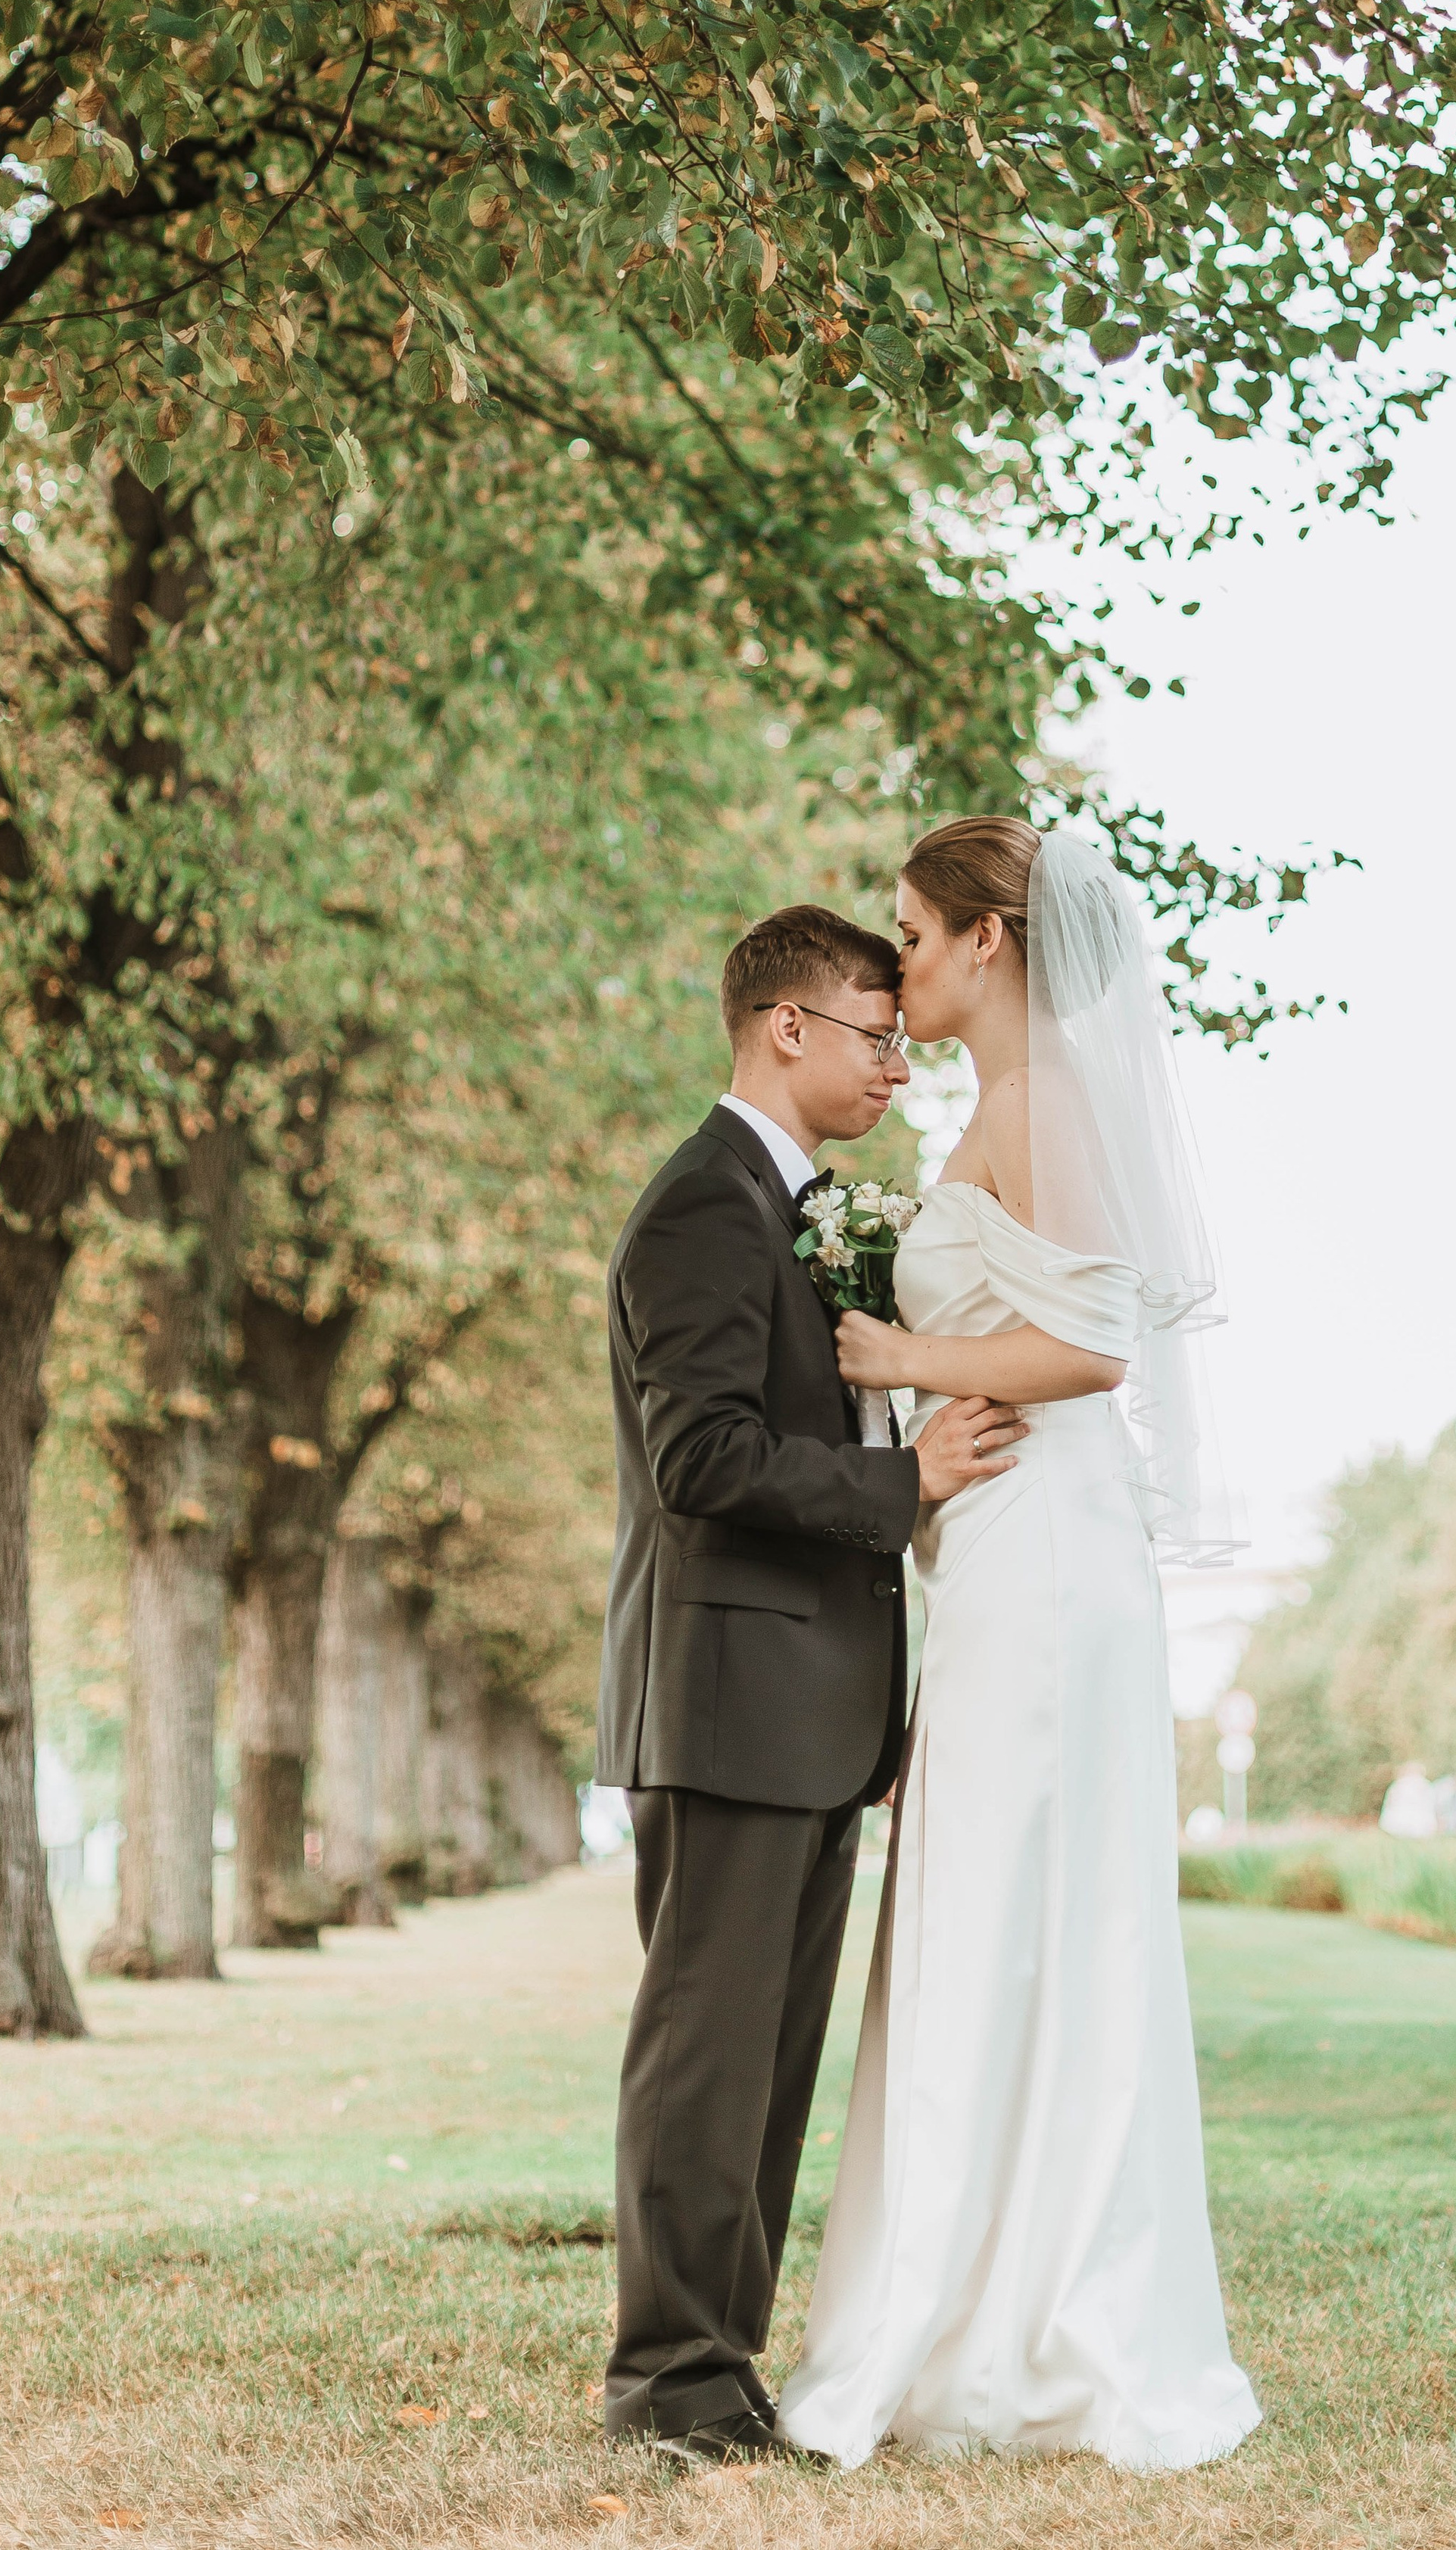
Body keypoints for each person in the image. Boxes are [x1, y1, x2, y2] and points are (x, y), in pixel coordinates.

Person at [778, 818, 1262, 2473]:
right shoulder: (1001, 1109)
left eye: (912, 934)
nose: (896, 967)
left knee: (1017, 1911)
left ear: (990, 939)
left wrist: (898, 1341)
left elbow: (1098, 1339)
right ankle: (971, 2301)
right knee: (983, 1907)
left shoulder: (1047, 1101)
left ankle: (1029, 2328)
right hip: (993, 1545)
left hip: (1048, 1558)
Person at [595, 902, 1029, 2462]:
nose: (896, 1064)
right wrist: (902, 1482)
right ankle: (668, 2386)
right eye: (875, 1031)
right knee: (705, 2054)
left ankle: (723, 2368)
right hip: (723, 1700)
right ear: (786, 1026)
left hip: (812, 1710)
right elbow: (698, 1459)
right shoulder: (700, 1210)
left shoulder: (804, 1207)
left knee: (770, 2070)